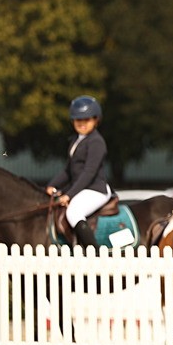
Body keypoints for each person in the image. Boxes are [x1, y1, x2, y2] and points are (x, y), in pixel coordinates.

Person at [45, 96, 112, 248]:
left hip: (95, 189)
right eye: (78, 120)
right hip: (82, 189)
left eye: (87, 119)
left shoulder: (96, 141)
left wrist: (69, 194)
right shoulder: (76, 140)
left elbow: (89, 172)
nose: (82, 123)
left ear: (96, 120)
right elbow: (68, 171)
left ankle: (93, 252)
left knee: (73, 212)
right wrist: (51, 186)